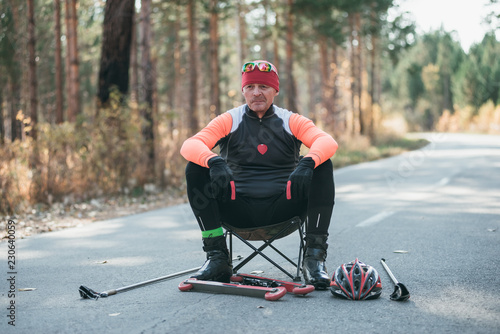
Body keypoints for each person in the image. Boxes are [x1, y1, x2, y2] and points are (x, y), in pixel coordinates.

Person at [180, 60, 338, 289]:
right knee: (195, 167)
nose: (256, 93)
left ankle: (314, 259)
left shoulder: (290, 120)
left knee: (322, 164)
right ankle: (217, 257)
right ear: (243, 90)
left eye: (263, 87)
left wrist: (308, 162)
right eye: (250, 87)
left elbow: (327, 141)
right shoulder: (229, 120)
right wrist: (213, 160)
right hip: (237, 211)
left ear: (275, 90)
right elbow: (190, 144)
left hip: (284, 210)